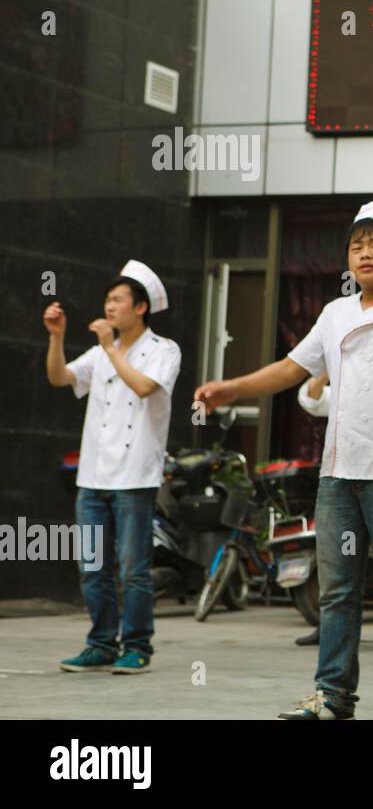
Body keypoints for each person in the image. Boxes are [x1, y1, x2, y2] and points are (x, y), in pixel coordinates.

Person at [195, 200, 373, 720]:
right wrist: (230, 389)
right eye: (356, 245)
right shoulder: (334, 313)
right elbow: (291, 369)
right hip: (339, 473)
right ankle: (332, 696)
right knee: (336, 592)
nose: (364, 253)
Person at [44, 261, 181, 675]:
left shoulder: (164, 349)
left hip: (135, 477)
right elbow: (59, 377)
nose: (110, 306)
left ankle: (137, 645)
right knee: (91, 567)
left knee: (133, 568)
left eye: (118, 300)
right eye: (107, 300)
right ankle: (101, 643)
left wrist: (109, 349)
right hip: (93, 475)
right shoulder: (100, 351)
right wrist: (57, 338)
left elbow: (142, 387)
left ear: (140, 307)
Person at [294, 372, 330, 648]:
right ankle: (327, 628)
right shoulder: (339, 385)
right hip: (338, 478)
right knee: (331, 563)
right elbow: (312, 400)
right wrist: (327, 369)